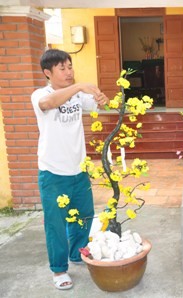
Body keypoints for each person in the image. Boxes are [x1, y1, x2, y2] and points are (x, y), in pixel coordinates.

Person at [31, 49, 109, 290]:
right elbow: (49, 103)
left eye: (70, 66)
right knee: (55, 223)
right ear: (47, 72)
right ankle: (59, 270)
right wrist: (78, 87)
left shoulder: (76, 97)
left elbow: (97, 106)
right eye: (62, 68)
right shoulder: (40, 94)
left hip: (79, 170)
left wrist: (100, 99)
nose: (69, 72)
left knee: (83, 217)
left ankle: (77, 255)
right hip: (53, 173)